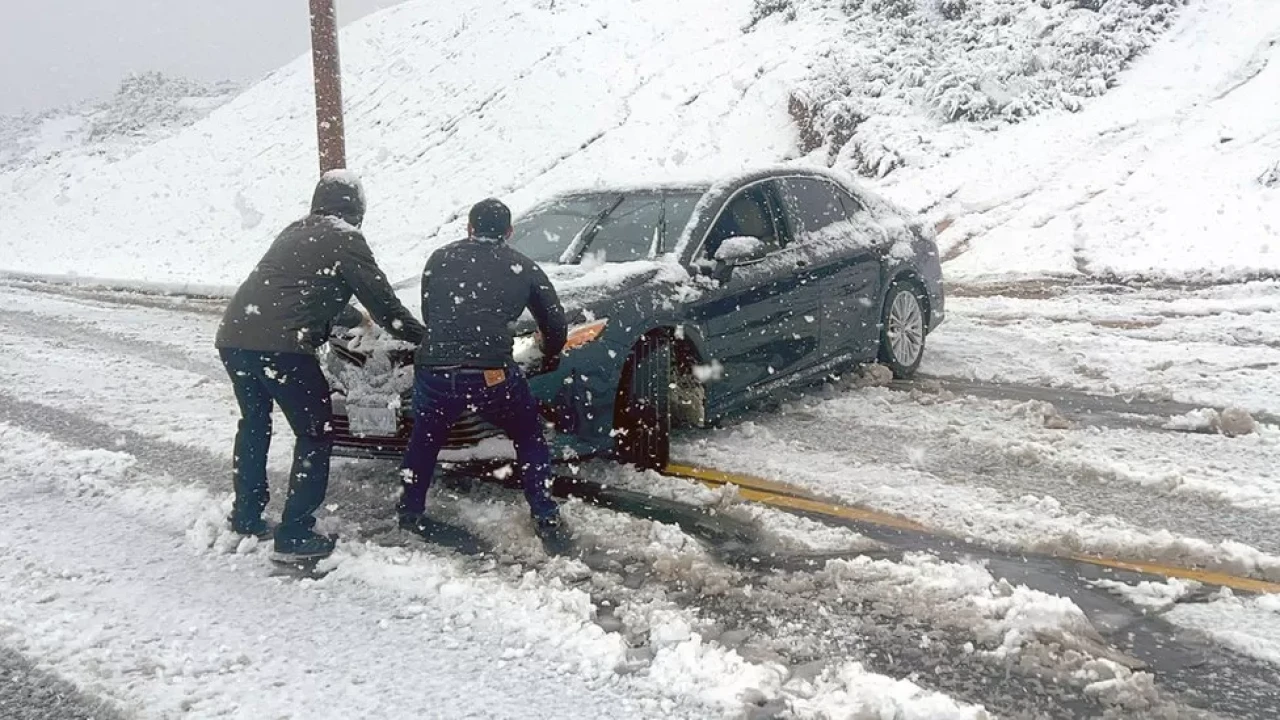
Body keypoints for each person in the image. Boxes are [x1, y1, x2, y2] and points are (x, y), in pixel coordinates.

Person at [216, 170, 425, 560]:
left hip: (235, 336)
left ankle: (246, 516)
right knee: (315, 432)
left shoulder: (295, 231)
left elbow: (306, 292)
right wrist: (427, 339)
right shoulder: (346, 238)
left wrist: (354, 319)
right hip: (282, 349)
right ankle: (295, 533)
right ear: (357, 209)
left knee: (254, 424)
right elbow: (386, 306)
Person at [398, 198, 570, 551]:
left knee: (425, 438)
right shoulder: (523, 267)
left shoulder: (439, 258)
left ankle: (410, 509)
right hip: (490, 373)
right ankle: (544, 512)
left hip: (434, 369)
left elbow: (432, 314)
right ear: (509, 232)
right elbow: (555, 326)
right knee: (527, 434)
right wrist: (548, 351)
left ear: (469, 228)